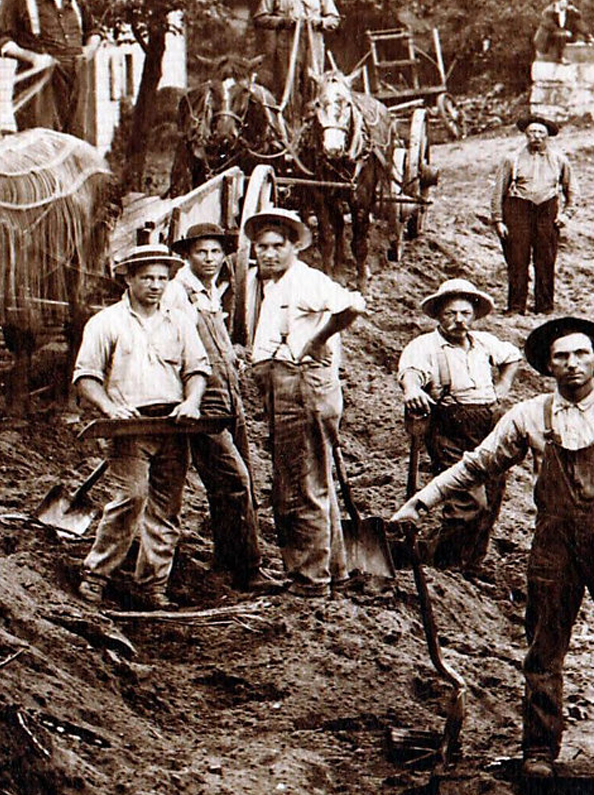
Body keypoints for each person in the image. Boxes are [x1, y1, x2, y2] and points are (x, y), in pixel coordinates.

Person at [391, 317, 594, 780]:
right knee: (543, 651)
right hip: (554, 546)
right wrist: (420, 502)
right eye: (561, 356)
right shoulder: (529, 416)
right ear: (548, 364)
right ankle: (539, 749)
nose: (572, 364)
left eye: (581, 354)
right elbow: (476, 465)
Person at [71, 244, 211, 610]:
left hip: (172, 425)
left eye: (162, 278)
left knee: (167, 507)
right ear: (129, 278)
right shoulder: (106, 323)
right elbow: (86, 377)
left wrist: (191, 402)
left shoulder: (181, 320)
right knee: (131, 497)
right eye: (147, 277)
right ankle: (96, 576)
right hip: (129, 428)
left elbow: (196, 369)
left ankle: (152, 586)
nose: (155, 285)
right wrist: (109, 408)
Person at [240, 208, 366, 597]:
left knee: (297, 483)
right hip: (286, 383)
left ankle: (308, 579)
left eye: (278, 246)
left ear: (295, 247)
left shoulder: (306, 280)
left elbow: (352, 307)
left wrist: (319, 339)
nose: (269, 254)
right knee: (315, 478)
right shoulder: (273, 284)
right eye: (262, 247)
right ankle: (333, 570)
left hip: (300, 385)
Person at [163, 222, 285, 595]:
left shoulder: (211, 290)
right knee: (233, 481)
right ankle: (248, 569)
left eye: (216, 252)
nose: (211, 259)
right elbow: (176, 349)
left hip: (229, 392)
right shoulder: (177, 293)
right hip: (203, 397)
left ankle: (226, 561)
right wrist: (190, 398)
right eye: (202, 252)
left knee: (242, 475)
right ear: (187, 255)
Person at [397, 279, 521, 571]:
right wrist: (412, 390)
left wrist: (502, 386)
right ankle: (444, 561)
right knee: (468, 502)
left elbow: (512, 357)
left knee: (491, 496)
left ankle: (472, 562)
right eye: (451, 313)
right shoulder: (425, 346)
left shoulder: (485, 343)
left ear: (473, 315)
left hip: (490, 425)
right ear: (439, 315)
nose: (458, 320)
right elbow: (411, 373)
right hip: (450, 428)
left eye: (465, 313)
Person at [0, 0, 100, 136]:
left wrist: (89, 51)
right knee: (42, 142)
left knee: (74, 144)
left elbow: (93, 32)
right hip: (39, 85)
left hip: (76, 79)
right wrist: (32, 58)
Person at [490, 116, 575, 315]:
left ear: (547, 136)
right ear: (526, 135)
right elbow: (498, 192)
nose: (536, 137)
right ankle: (516, 306)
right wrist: (498, 220)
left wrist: (567, 215)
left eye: (540, 133)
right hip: (518, 211)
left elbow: (572, 190)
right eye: (532, 133)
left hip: (547, 211)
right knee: (517, 260)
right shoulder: (512, 159)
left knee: (545, 260)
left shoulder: (559, 160)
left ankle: (544, 306)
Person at [253, 0, 340, 107]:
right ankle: (287, 125)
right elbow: (260, 18)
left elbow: (334, 19)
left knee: (313, 86)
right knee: (286, 87)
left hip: (313, 46)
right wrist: (283, 21)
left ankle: (313, 124)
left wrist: (319, 22)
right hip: (286, 46)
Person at [533, 0, 590, 64]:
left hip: (561, 36)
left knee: (575, 22)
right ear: (557, 3)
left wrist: (575, 11)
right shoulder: (548, 12)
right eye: (562, 3)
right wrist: (563, 32)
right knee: (560, 35)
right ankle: (559, 58)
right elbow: (550, 25)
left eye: (566, 3)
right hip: (547, 38)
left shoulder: (568, 11)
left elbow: (578, 19)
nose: (565, 5)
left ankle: (588, 37)